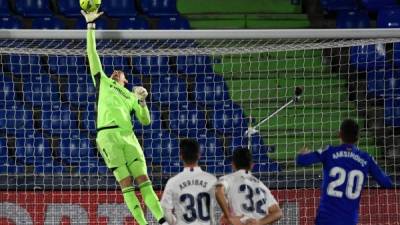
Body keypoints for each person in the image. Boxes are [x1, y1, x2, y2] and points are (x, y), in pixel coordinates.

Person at [81, 9, 168, 225]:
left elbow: (145, 121)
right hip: (108, 136)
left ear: (125, 81)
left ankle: (162, 221)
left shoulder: (130, 96)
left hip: (129, 137)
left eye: (121, 73)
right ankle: (143, 223)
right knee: (126, 183)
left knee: (144, 180)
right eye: (115, 72)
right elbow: (92, 54)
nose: (116, 72)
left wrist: (142, 101)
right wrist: (90, 26)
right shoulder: (103, 82)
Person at [296, 118, 393, 225]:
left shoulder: (329, 152)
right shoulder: (366, 159)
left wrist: (302, 154)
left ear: (340, 134)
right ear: (358, 137)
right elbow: (386, 182)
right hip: (349, 220)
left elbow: (301, 161)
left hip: (326, 219)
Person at [215, 147, 282, 225]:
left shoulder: (228, 179)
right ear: (252, 165)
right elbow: (278, 213)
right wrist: (259, 222)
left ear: (233, 165)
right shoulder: (261, 185)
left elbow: (218, 191)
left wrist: (229, 217)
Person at [161, 139, 218, 225]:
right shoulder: (212, 180)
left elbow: (165, 209)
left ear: (181, 156)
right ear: (199, 155)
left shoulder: (173, 182)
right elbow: (221, 207)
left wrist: (174, 222)